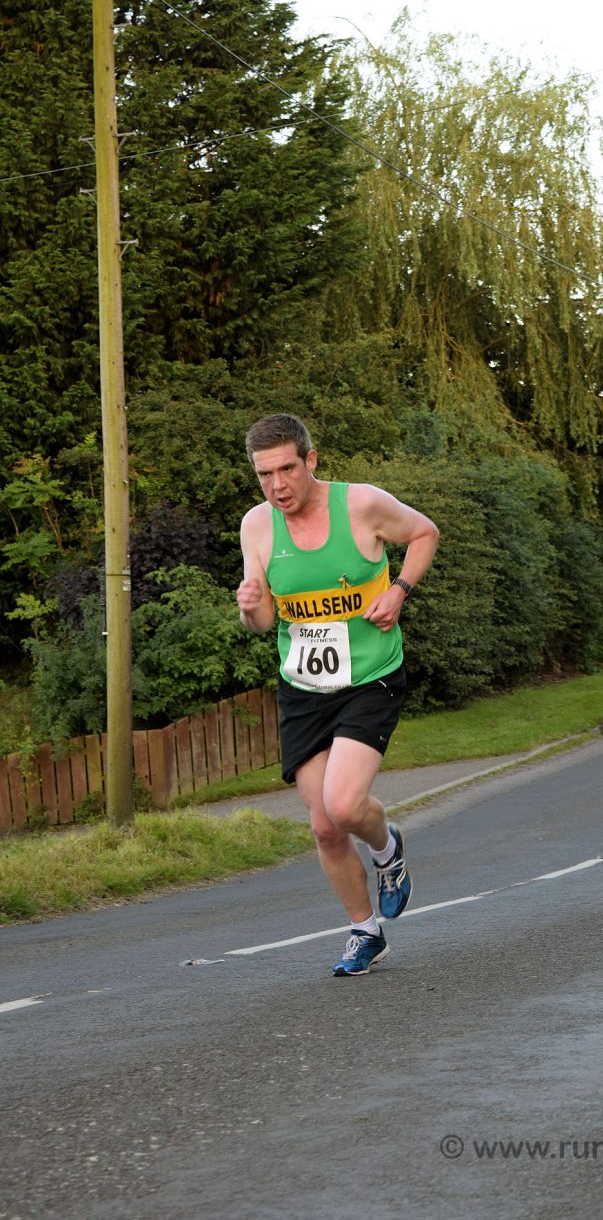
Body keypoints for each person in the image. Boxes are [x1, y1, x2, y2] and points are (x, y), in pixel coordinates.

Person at [236, 413, 439, 976]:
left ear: (311, 460)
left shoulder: (361, 504)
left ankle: (386, 850)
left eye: (287, 469)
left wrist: (399, 590)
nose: (277, 486)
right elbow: (263, 620)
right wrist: (250, 609)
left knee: (345, 806)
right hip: (304, 687)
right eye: (264, 475)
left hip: (371, 676)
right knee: (324, 826)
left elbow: (424, 533)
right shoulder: (257, 526)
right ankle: (364, 931)